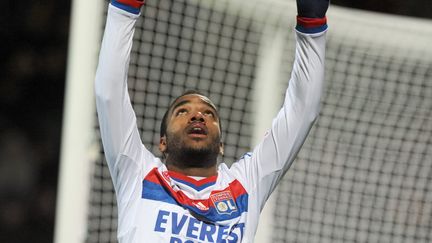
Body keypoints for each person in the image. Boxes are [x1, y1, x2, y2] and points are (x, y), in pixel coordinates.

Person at [95, 0, 329, 242]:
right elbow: (109, 93)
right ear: (162, 142)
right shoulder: (138, 173)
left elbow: (302, 111)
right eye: (182, 112)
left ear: (221, 145)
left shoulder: (245, 184)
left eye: (209, 114)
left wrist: (312, 24)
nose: (197, 116)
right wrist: (125, 7)